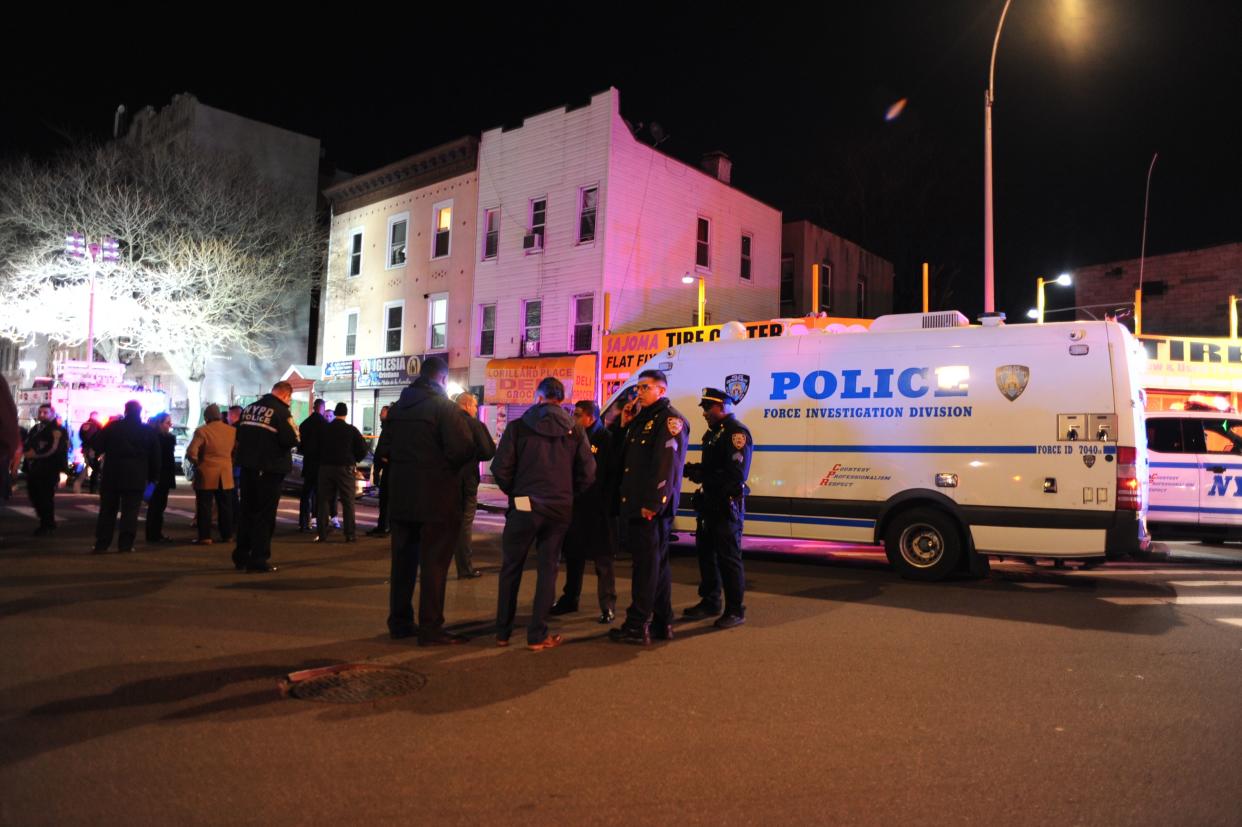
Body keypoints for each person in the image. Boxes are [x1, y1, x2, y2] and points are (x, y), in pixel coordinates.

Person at [491, 377, 595, 650]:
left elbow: (500, 469)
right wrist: (569, 494)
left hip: (525, 504)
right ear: (561, 400)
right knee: (548, 569)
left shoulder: (518, 427)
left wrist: (517, 492)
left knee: (511, 567)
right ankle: (537, 635)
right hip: (559, 507)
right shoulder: (575, 430)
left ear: (538, 397)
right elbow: (588, 472)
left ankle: (502, 632)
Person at [377, 356, 475, 644]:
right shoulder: (444, 408)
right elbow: (463, 449)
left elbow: (385, 450)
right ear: (443, 379)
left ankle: (400, 622)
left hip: (401, 496)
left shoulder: (397, 409)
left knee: (403, 564)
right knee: (434, 565)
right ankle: (431, 627)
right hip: (436, 497)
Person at [608, 369, 689, 645]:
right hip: (638, 504)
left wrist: (654, 503)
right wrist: (624, 424)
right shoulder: (642, 420)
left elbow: (666, 466)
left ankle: (637, 623)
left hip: (649, 508)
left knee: (646, 567)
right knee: (657, 566)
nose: (639, 392)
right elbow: (623, 458)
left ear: (661, 391)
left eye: (645, 388)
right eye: (638, 388)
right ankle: (662, 622)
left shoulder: (669, 421)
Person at [682, 387, 753, 629]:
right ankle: (710, 601)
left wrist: (702, 475)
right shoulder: (714, 433)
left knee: (728, 559)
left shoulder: (736, 433)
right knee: (706, 555)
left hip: (725, 506)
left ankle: (735, 610)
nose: (704, 413)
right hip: (710, 505)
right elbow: (712, 468)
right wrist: (695, 471)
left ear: (722, 407)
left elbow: (734, 475)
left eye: (707, 408)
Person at [550, 400, 618, 623]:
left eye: (578, 414)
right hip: (576, 505)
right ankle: (570, 598)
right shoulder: (572, 436)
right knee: (574, 555)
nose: (574, 417)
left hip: (597, 509)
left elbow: (610, 476)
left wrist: (607, 507)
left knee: (603, 560)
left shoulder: (605, 439)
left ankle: (607, 605)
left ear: (591, 417)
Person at [233, 382, 299, 573]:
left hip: (247, 468)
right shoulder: (281, 412)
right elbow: (292, 438)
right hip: (269, 469)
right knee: (264, 516)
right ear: (286, 395)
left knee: (246, 512)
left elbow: (239, 434)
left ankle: (241, 555)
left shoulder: (249, 409)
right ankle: (259, 559)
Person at [92, 400, 160, 553]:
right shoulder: (147, 431)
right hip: (136, 475)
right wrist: (153, 478)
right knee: (130, 512)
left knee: (107, 511)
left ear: (125, 411)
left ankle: (102, 543)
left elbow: (97, 445)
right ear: (140, 412)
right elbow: (155, 457)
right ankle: (125, 544)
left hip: (112, 474)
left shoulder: (113, 427)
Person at [454, 392, 495, 578]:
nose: (476, 410)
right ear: (467, 405)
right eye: (475, 406)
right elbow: (488, 451)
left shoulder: (443, 422)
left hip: (444, 479)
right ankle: (464, 567)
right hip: (467, 480)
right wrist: (474, 455)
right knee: (464, 523)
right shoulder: (475, 424)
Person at [316, 402, 368, 543]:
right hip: (345, 467)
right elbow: (363, 449)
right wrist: (354, 459)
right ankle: (349, 534)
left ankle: (322, 533)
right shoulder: (351, 430)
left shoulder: (325, 429)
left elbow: (316, 448)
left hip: (326, 467)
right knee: (348, 501)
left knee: (323, 500)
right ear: (345, 414)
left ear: (335, 413)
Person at [186, 404, 236, 546]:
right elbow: (237, 450)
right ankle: (227, 535)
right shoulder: (232, 431)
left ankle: (205, 537)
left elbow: (191, 451)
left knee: (205, 506)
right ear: (220, 416)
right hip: (226, 474)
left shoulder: (202, 431)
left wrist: (196, 463)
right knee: (225, 506)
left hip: (206, 473)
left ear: (206, 417)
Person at [22, 403, 65, 536]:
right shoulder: (35, 428)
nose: (41, 415)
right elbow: (28, 443)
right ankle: (45, 521)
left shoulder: (58, 430)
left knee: (45, 497)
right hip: (34, 468)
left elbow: (57, 450)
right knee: (34, 495)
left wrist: (35, 455)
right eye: (40, 412)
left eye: (45, 413)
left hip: (48, 469)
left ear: (52, 413)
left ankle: (47, 524)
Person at [144, 412, 178, 544]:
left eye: (170, 423)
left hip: (160, 475)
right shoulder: (162, 439)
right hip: (160, 475)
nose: (170, 425)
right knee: (157, 506)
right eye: (167, 423)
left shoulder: (154, 437)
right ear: (160, 423)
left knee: (157, 506)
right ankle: (154, 534)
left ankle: (154, 533)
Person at [298, 398, 327, 533]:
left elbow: (301, 447)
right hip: (321, 464)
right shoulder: (325, 425)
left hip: (309, 463)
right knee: (320, 494)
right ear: (321, 408)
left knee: (306, 494)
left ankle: (303, 522)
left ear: (314, 407)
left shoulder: (304, 424)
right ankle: (319, 522)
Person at [366, 405, 391, 537]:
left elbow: (383, 449)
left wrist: (382, 461)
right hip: (386, 467)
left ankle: (384, 526)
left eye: (382, 411)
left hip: (388, 468)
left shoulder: (389, 428)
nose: (380, 413)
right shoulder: (386, 428)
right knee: (385, 499)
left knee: (386, 499)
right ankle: (384, 525)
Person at [77, 412, 103, 494]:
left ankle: (78, 484)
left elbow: (81, 435)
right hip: (93, 449)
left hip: (85, 448)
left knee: (89, 466)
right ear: (95, 416)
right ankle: (92, 488)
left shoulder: (84, 424)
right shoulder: (97, 425)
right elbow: (99, 437)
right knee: (95, 468)